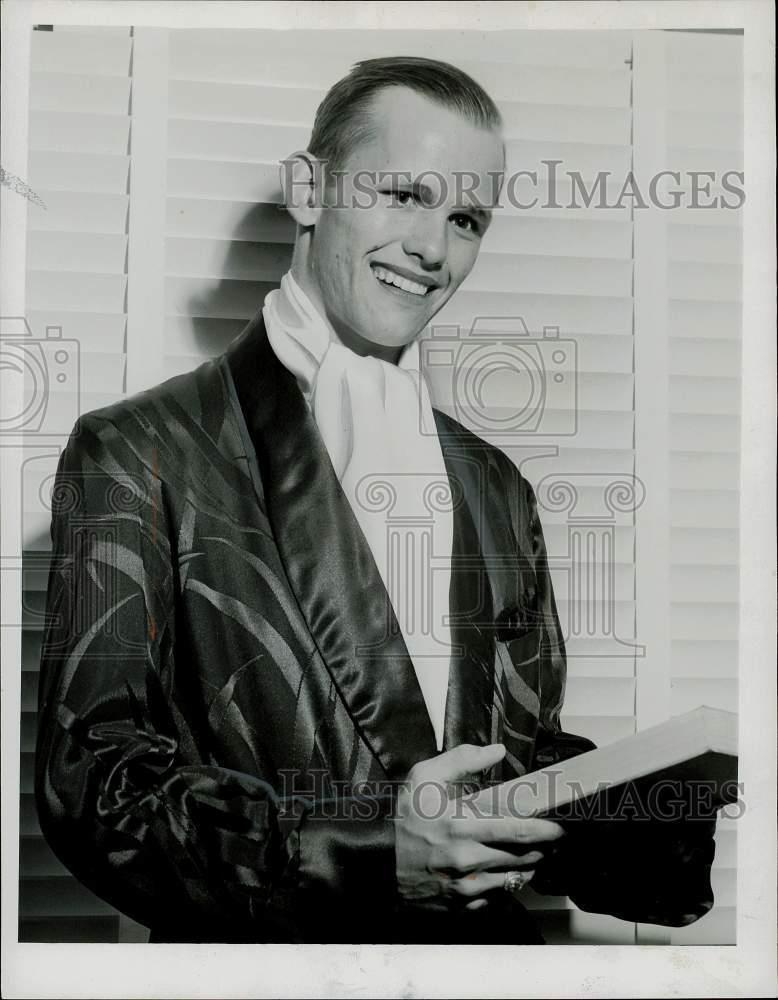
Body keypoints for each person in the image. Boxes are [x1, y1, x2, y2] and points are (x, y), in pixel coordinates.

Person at [35, 56, 716, 944]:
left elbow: (517, 759)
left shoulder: (493, 483)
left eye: (465, 218)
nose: (433, 248)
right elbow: (95, 785)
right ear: (308, 189)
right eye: (403, 193)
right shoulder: (136, 450)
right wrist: (371, 852)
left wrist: (660, 796)